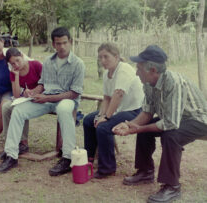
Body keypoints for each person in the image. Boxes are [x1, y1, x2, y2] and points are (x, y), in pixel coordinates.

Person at [112, 45, 207, 203]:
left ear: (153, 70)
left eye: (139, 68)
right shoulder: (148, 83)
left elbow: (170, 123)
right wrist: (130, 125)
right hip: (178, 119)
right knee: (146, 130)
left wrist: (138, 128)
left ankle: (172, 187)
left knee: (171, 136)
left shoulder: (174, 83)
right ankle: (145, 171)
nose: (136, 72)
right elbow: (147, 112)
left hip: (199, 119)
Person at [0, 27, 85, 176]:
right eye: (58, 43)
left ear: (70, 42)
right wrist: (34, 92)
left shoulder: (78, 64)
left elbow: (74, 92)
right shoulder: (48, 61)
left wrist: (47, 97)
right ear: (53, 44)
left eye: (64, 42)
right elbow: (43, 84)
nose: (62, 46)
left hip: (67, 99)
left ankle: (68, 158)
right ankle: (11, 154)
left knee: (63, 109)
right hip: (47, 99)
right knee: (18, 110)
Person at [83, 42, 144, 179]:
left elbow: (118, 94)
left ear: (116, 57)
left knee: (103, 127)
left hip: (135, 111)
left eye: (106, 57)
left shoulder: (124, 69)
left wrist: (107, 117)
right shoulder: (106, 74)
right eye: (100, 57)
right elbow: (106, 98)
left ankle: (107, 168)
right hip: (119, 110)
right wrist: (100, 115)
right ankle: (89, 158)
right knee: (89, 120)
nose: (103, 61)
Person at [0, 47, 43, 159]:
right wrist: (17, 76)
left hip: (40, 98)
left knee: (20, 107)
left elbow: (46, 83)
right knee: (5, 107)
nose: (16, 65)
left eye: (18, 60)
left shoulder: (36, 65)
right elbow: (17, 95)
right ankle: (9, 143)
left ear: (22, 56)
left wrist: (34, 92)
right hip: (25, 98)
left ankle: (23, 143)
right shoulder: (14, 72)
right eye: (13, 63)